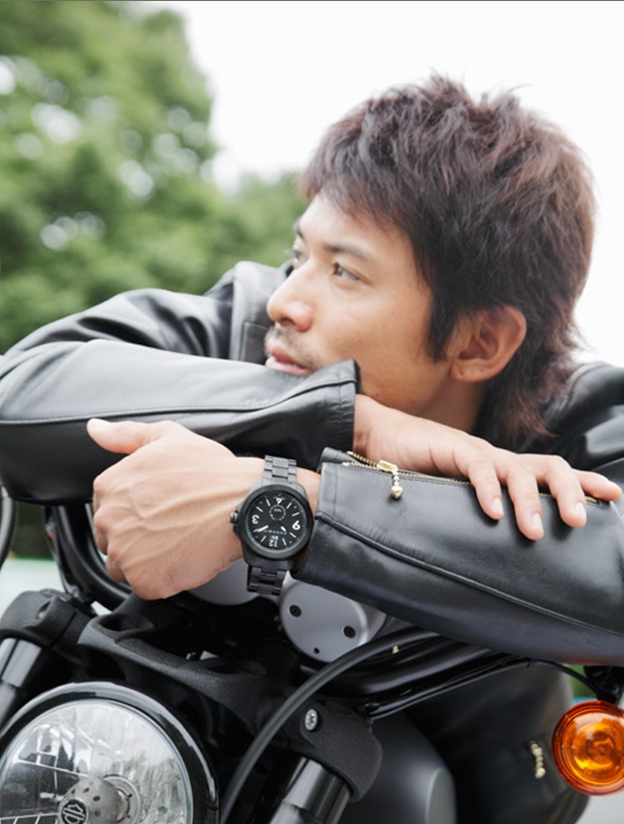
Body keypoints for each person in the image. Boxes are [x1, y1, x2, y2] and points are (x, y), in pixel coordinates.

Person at [1, 74, 624, 823]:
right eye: (300, 256)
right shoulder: (246, 326)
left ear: (478, 341)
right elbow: (22, 387)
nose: (286, 299)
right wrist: (350, 422)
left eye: (345, 272)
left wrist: (285, 503)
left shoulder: (577, 421)